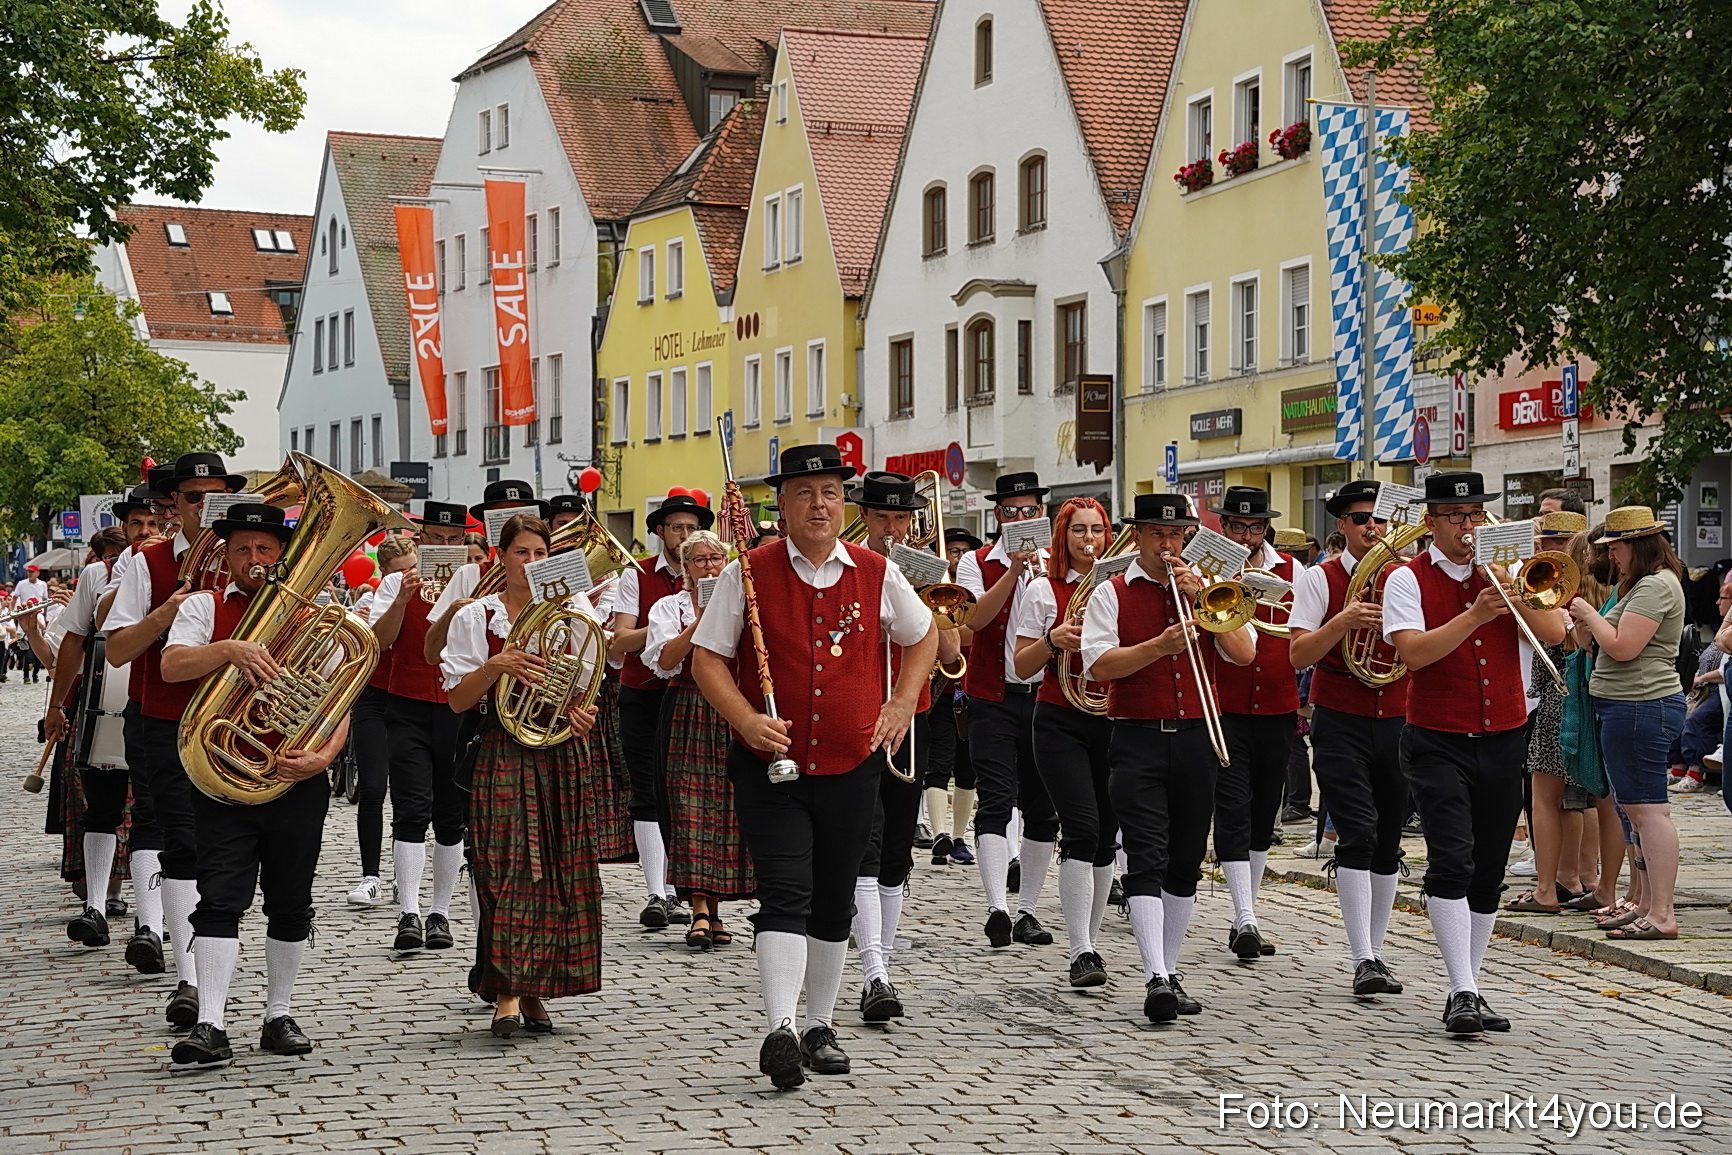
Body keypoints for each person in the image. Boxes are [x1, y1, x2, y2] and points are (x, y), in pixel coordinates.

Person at [691, 443, 936, 1089]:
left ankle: (819, 1024)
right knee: (785, 894)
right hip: (770, 764)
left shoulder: (875, 569)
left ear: (842, 501)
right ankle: (780, 1028)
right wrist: (745, 719)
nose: (818, 504)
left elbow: (923, 634)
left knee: (833, 899)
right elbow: (707, 659)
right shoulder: (747, 571)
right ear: (784, 503)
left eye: (829, 491)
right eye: (804, 493)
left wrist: (903, 701)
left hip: (852, 762)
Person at [160, 503, 351, 1067]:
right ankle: (211, 1023)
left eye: (265, 549)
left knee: (291, 899)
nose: (254, 559)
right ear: (228, 555)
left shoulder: (317, 614)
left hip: (295, 777)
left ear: (281, 555)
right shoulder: (203, 605)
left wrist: (323, 757)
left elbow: (342, 694)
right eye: (242, 549)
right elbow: (170, 666)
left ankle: (277, 1013)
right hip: (222, 777)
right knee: (219, 896)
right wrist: (230, 650)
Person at [1383, 471, 1568, 1036]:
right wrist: (1475, 614)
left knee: (1488, 870)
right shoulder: (1405, 579)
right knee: (1453, 859)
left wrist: (1514, 591)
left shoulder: (1507, 573)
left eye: (1476, 515)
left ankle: (1472, 984)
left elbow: (1555, 635)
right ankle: (1460, 988)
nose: (1470, 526)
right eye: (1458, 518)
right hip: (1437, 736)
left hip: (1504, 733)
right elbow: (1414, 654)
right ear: (1432, 522)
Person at [1081, 493, 1257, 1023]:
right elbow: (1099, 666)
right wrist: (1157, 647)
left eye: (1177, 535)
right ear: (1137, 537)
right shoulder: (1110, 593)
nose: (1168, 544)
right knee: (1147, 853)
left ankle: (1171, 970)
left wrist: (1206, 601)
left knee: (1184, 860)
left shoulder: (1205, 589)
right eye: (1158, 534)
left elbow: (1246, 654)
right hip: (1136, 737)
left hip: (1198, 736)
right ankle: (1155, 973)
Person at [442, 513, 606, 1038]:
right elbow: (456, 700)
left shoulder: (575, 612)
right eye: (521, 553)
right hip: (502, 745)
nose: (531, 563)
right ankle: (507, 993)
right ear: (501, 557)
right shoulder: (477, 618)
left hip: (560, 746)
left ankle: (536, 988)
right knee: (506, 866)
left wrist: (585, 713)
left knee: (558, 866)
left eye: (540, 554)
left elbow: (587, 686)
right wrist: (496, 666)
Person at [104, 451, 249, 1029]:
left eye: (219, 499)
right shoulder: (149, 561)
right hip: (164, 718)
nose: (208, 508)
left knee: (225, 848)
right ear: (173, 504)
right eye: (195, 498)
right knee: (182, 841)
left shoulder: (254, 560)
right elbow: (116, 650)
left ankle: (207, 964)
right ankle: (192, 980)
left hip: (237, 723)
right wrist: (167, 612)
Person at [843, 471, 960, 1022]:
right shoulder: (847, 567)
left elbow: (952, 649)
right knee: (864, 840)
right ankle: (874, 973)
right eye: (883, 517)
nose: (893, 528)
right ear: (864, 517)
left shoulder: (927, 572)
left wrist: (931, 598)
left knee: (895, 848)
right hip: (858, 717)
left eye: (901, 518)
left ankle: (881, 960)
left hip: (912, 717)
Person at [1287, 478, 1411, 996]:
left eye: (1380, 520)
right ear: (1342, 525)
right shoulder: (1321, 579)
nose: (1373, 529)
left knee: (1389, 838)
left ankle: (1376, 951)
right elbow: (1297, 655)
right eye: (1362, 520)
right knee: (1357, 830)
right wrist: (1341, 622)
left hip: (1400, 718)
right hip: (1340, 717)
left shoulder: (1406, 576)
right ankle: (1362, 954)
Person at [53, 490, 164, 967]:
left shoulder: (181, 566)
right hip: (107, 696)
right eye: (136, 523)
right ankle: (95, 906)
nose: (144, 531)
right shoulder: (99, 574)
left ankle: (151, 921)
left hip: (160, 699)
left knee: (155, 815)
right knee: (103, 805)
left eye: (151, 524)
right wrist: (56, 703)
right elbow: (80, 635)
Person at [1568, 507, 1687, 942]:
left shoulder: (1657, 586)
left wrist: (1588, 611)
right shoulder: (1638, 585)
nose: (1611, 556)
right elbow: (1595, 644)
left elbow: (1622, 647)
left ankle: (1661, 912)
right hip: (1625, 704)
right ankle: (1645, 904)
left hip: (1642, 703)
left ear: (1637, 546)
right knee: (1632, 810)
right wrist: (1582, 624)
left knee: (1648, 811)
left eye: (1615, 548)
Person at [1014, 496, 1119, 988]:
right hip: (1059, 717)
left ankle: (1090, 943)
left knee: (1105, 836)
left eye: (1096, 531)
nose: (1089, 541)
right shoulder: (1043, 589)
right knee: (1082, 826)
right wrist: (1054, 640)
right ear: (1063, 536)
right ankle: (1079, 948)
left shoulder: (1119, 589)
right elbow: (1019, 667)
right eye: (1079, 531)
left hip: (1113, 719)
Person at [955, 472, 1060, 948]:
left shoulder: (1060, 566)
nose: (1021, 519)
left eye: (1030, 511)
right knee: (996, 799)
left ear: (1042, 513)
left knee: (1042, 808)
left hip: (1046, 699)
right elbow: (973, 619)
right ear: (998, 516)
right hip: (991, 698)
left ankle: (1028, 911)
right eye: (1012, 511)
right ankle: (997, 904)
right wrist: (1016, 573)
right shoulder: (976, 563)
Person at [643, 530, 753, 950]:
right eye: (700, 559)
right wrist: (700, 621)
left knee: (727, 809)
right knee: (688, 808)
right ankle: (698, 911)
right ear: (686, 567)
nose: (709, 565)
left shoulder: (741, 601)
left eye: (715, 558)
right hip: (687, 707)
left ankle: (717, 909)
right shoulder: (668, 606)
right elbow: (664, 661)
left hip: (728, 709)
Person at [371, 503, 473, 950]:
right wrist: (401, 599)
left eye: (454, 541)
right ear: (421, 540)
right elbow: (380, 640)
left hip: (457, 706)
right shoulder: (397, 580)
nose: (445, 548)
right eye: (437, 540)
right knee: (411, 809)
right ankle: (408, 911)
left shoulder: (475, 579)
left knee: (452, 817)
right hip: (408, 702)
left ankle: (440, 912)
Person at [607, 491, 712, 929]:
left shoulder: (715, 574)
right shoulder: (637, 577)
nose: (684, 534)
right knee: (648, 789)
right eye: (676, 528)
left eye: (691, 528)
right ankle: (657, 891)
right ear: (660, 533)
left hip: (697, 698)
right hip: (645, 693)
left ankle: (692, 886)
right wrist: (668, 625)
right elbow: (619, 641)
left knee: (692, 796)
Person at [1207, 486, 1297, 959]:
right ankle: (1244, 916)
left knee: (1265, 811)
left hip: (1278, 704)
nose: (1245, 535)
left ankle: (1249, 911)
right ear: (1223, 527)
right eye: (1237, 527)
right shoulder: (1211, 569)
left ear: (1266, 529)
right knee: (1233, 808)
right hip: (1225, 707)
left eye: (1254, 527)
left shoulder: (1291, 569)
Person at [1503, 511, 1590, 914]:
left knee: (1545, 797)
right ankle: (1574, 878)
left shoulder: (1565, 585)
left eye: (1552, 541)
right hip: (1558, 694)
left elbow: (1540, 631)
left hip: (1555, 697)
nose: (1543, 549)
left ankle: (1553, 885)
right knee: (1574, 798)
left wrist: (1512, 589)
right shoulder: (1583, 581)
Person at [341, 534, 416, 911]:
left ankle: (407, 878)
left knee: (409, 792)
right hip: (374, 697)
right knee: (372, 787)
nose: (408, 577)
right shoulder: (371, 601)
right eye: (400, 572)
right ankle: (370, 874)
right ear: (384, 573)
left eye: (413, 568)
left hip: (407, 696)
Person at [927, 526, 983, 866]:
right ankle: (938, 834)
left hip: (971, 688)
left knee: (967, 767)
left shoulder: (977, 591)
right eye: (952, 550)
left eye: (963, 550)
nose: (957, 556)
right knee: (938, 762)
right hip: (940, 690)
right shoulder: (933, 590)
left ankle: (960, 836)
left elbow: (976, 633)